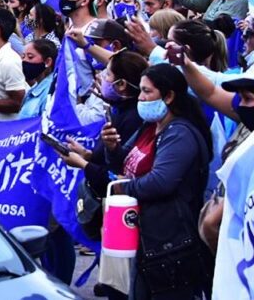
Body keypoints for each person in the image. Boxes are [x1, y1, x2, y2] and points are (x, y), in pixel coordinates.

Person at [60, 64, 212, 299]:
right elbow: (124, 162)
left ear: (169, 96)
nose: (140, 98)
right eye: (140, 91)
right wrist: (112, 148)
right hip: (143, 238)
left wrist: (121, 186)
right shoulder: (151, 127)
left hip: (170, 245)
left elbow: (160, 182)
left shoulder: (179, 133)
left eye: (147, 92)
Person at [19, 39, 57, 118]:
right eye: (23, 56)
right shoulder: (34, 88)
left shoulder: (50, 93)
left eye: (30, 57)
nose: (24, 60)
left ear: (47, 62)